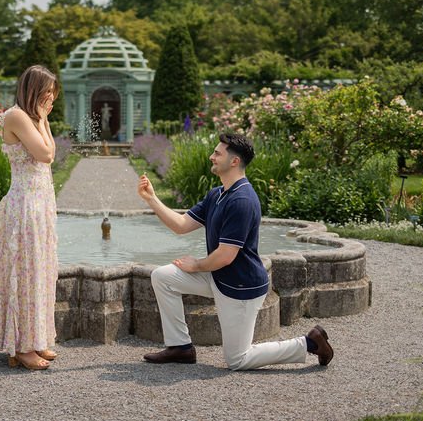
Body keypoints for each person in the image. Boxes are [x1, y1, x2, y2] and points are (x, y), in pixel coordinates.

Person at [136, 132, 334, 370]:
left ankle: (310, 343)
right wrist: (152, 199)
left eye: (217, 153)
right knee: (163, 277)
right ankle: (180, 348)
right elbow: (181, 225)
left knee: (238, 359)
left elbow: (226, 255)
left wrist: (197, 265)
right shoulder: (217, 195)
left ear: (234, 161)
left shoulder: (242, 200)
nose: (211, 157)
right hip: (219, 276)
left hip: (240, 287)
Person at [0, 65, 59, 371]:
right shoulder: (16, 115)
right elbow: (43, 155)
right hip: (25, 204)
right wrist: (42, 119)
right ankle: (21, 346)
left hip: (41, 203)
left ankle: (37, 338)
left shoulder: (34, 119)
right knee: (25, 273)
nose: (51, 98)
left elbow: (51, 152)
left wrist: (43, 121)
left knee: (40, 270)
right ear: (34, 91)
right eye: (47, 92)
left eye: (53, 93)